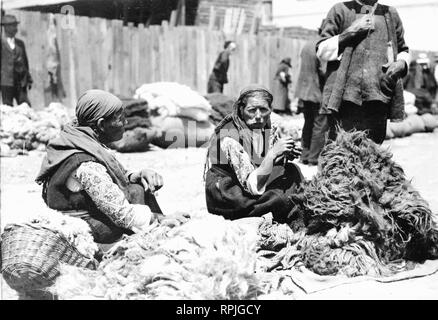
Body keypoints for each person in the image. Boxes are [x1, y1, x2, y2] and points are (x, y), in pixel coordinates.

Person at [35, 90, 184, 245]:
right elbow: (122, 214)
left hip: (88, 211)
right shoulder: (86, 164)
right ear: (101, 124)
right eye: (121, 119)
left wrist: (138, 175)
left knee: (136, 186)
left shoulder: (80, 139)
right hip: (86, 228)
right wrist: (161, 219)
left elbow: (114, 175)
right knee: (137, 195)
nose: (126, 123)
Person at [204, 85, 304, 222]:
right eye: (252, 110)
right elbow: (252, 186)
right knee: (282, 197)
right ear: (241, 109)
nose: (258, 116)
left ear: (270, 110)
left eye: (263, 109)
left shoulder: (264, 125)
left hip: (250, 180)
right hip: (230, 194)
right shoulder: (229, 137)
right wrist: (274, 153)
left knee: (292, 171)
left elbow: (260, 160)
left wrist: (283, 155)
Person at [316, 0, 410, 145]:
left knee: (373, 153)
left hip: (378, 97)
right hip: (344, 100)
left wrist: (402, 63)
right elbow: (321, 50)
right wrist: (350, 31)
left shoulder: (390, 13)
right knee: (341, 152)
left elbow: (403, 49)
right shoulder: (340, 10)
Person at [295, 25, 327, 166]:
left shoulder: (308, 44)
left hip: (304, 92)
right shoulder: (323, 45)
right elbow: (324, 71)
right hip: (317, 92)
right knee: (320, 125)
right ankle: (314, 158)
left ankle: (305, 155)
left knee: (308, 123)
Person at [1, 14, 32, 106]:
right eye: (12, 25)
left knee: (25, 106)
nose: (15, 28)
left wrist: (28, 79)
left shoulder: (20, 43)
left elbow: (25, 63)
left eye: (15, 25)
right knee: (7, 107)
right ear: (5, 27)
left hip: (20, 82)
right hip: (6, 82)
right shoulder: (1, 43)